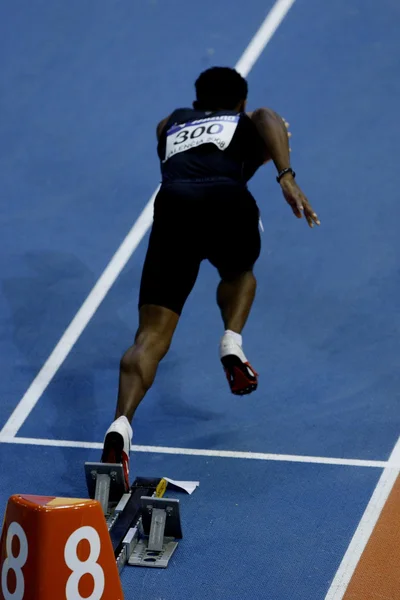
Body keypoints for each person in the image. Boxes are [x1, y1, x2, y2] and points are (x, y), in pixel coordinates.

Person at [101, 67, 319, 489]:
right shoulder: (247, 118)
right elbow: (267, 119)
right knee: (239, 272)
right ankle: (231, 341)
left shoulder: (168, 124)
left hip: (174, 210)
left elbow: (198, 167)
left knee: (149, 337)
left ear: (197, 101)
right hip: (226, 204)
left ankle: (120, 426)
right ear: (241, 102)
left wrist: (250, 151)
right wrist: (283, 171)